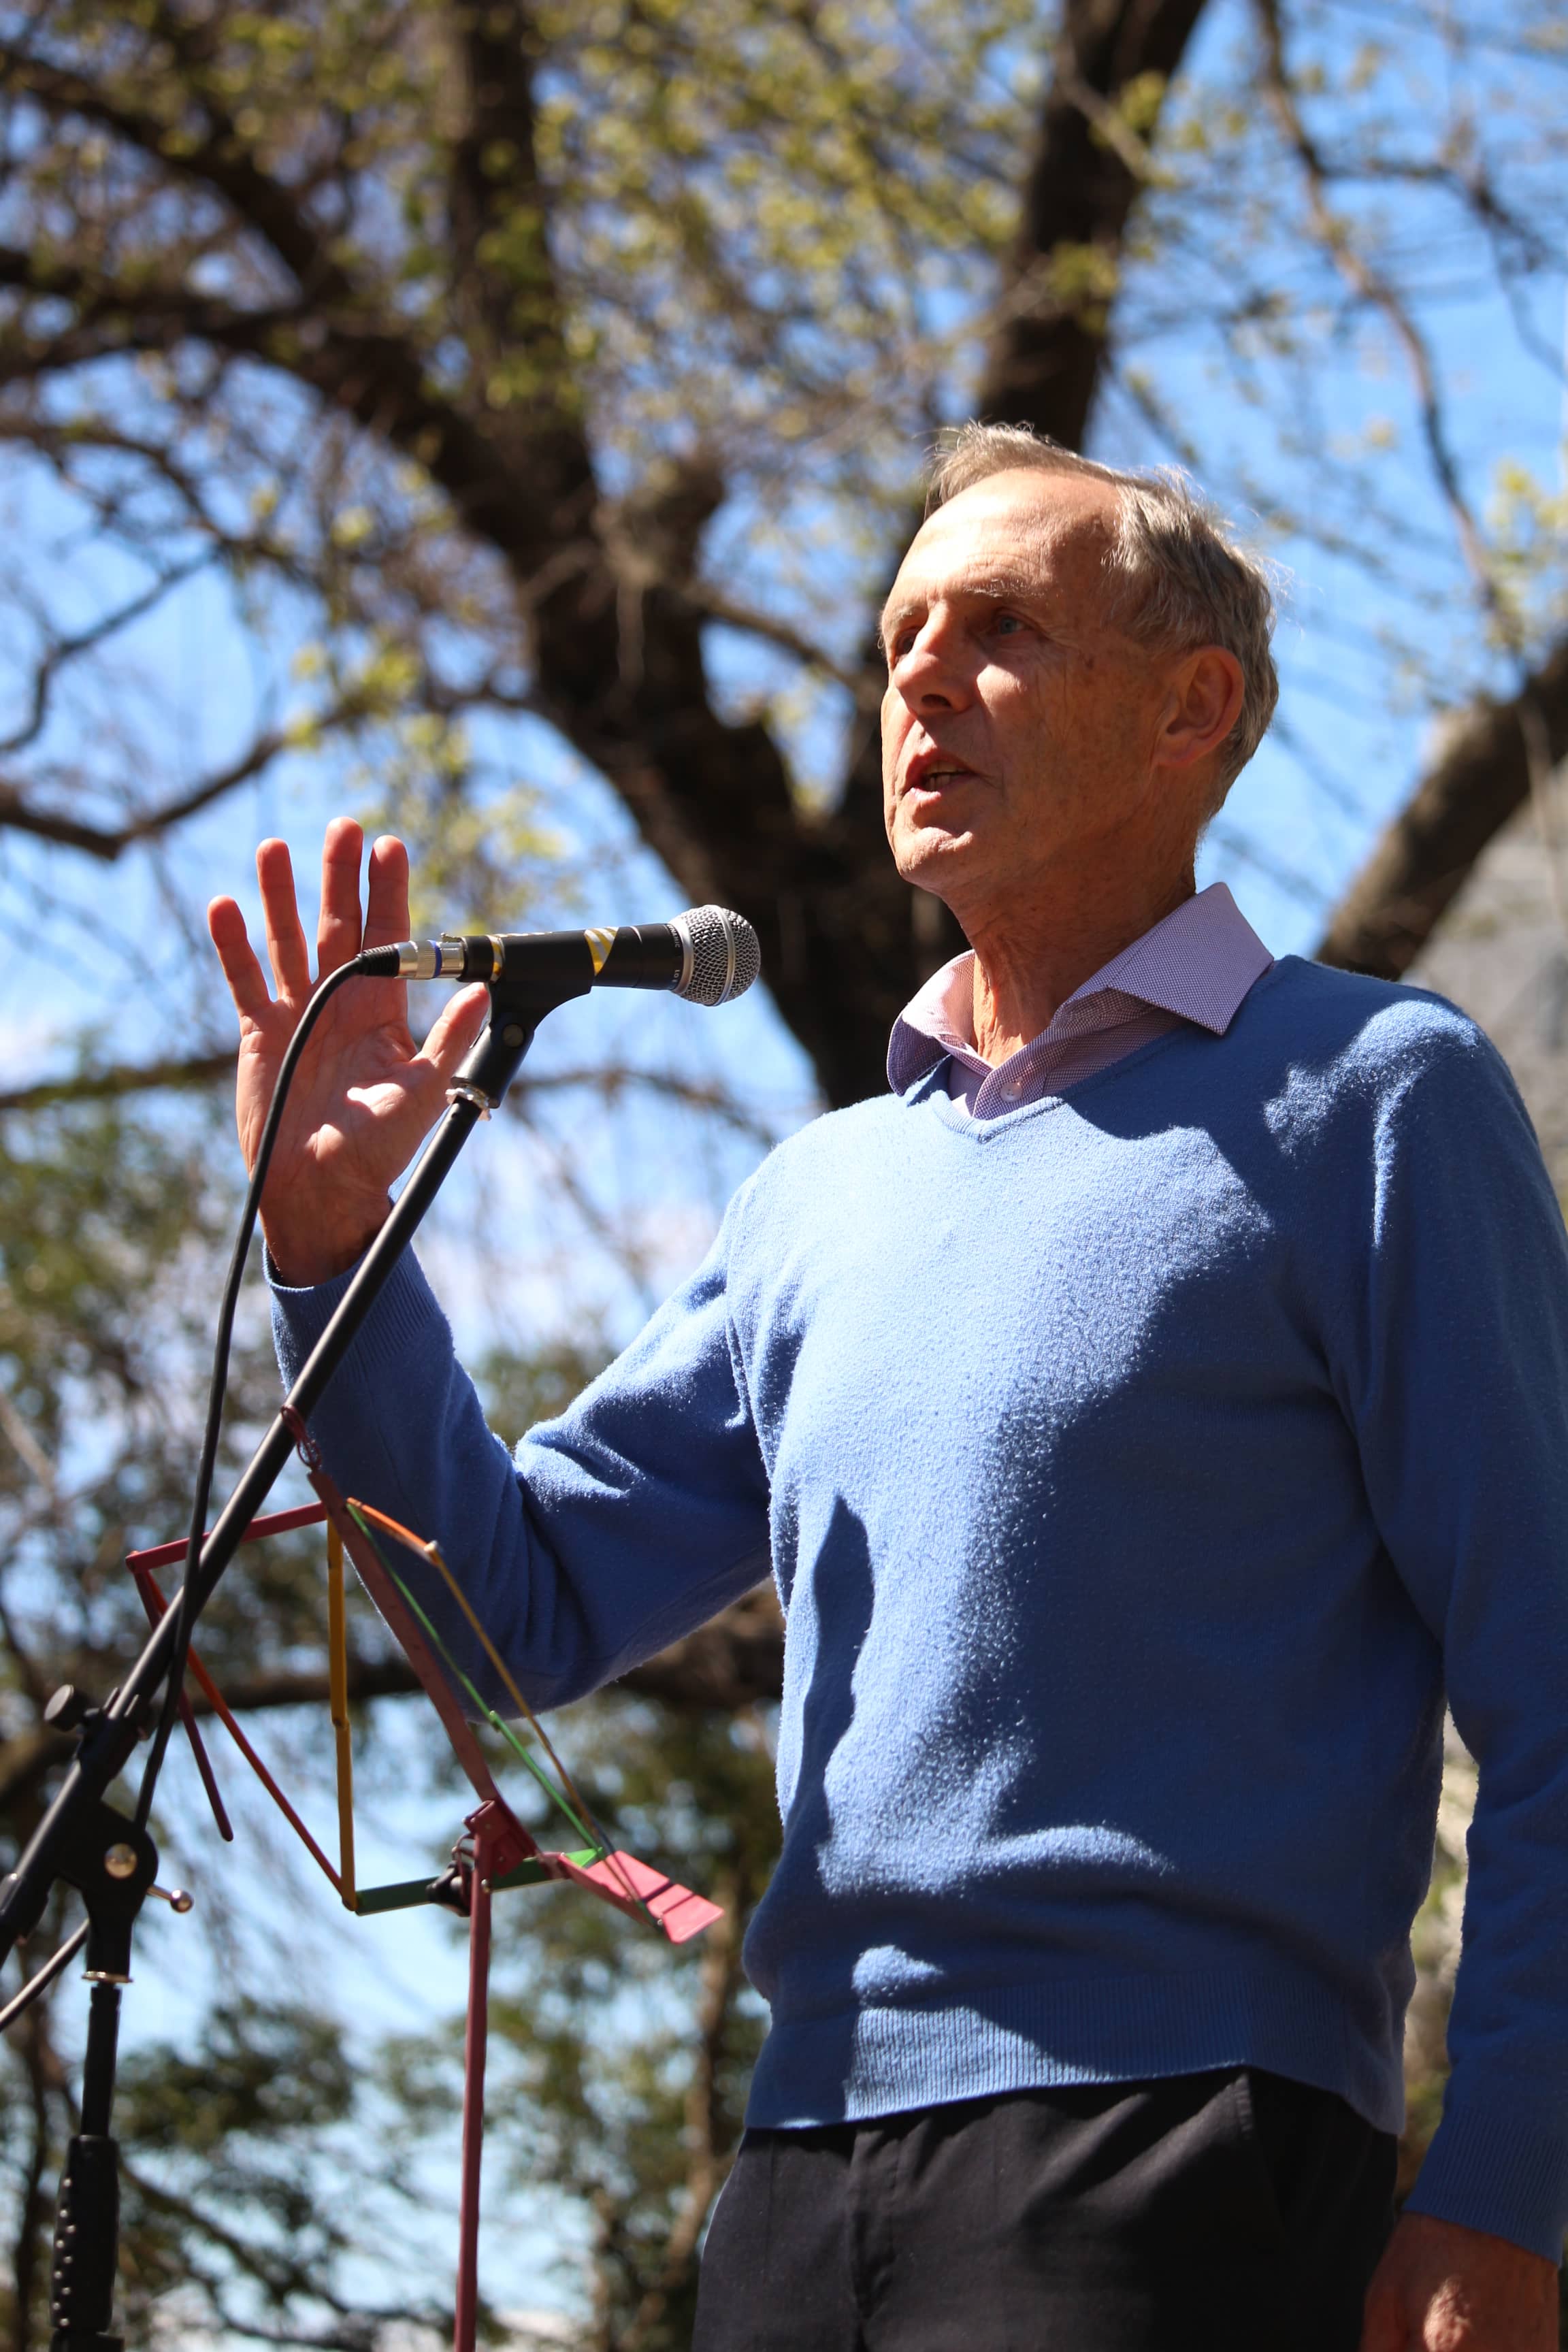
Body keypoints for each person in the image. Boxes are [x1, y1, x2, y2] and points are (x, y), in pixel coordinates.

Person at [209, 424, 1568, 2352]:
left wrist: (1506, 2177)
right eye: (897, 637)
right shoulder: (817, 1194)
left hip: (1174, 2155)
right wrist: (341, 1256)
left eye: (998, 627)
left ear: (1198, 710)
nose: (918, 679)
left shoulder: (1371, 1094)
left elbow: (1554, 1668)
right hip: (796, 2171)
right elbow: (515, 1605)